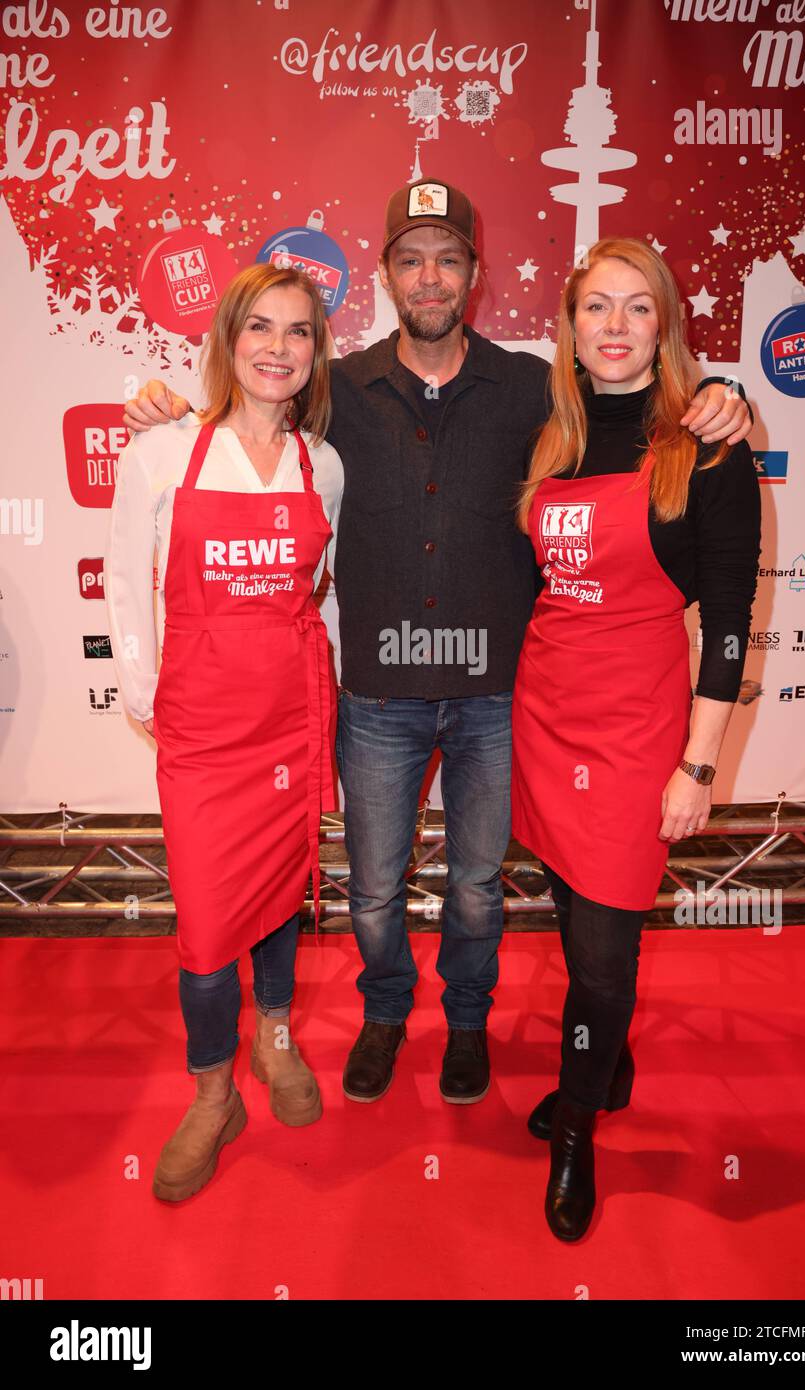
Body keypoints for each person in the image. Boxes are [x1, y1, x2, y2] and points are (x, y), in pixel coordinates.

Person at [121, 179, 752, 1110]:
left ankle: (466, 1022)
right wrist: (164, 409)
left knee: (475, 885)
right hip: (378, 697)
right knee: (374, 888)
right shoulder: (336, 393)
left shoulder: (540, 391)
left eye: (448, 259)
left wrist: (720, 394)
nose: (429, 276)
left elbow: (633, 407)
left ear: (475, 275)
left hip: (498, 696)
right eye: (411, 259)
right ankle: (386, 1014)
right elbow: (247, 428)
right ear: (384, 274)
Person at [510, 237, 761, 1241]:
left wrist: (695, 765)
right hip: (545, 712)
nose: (613, 328)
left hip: (638, 731)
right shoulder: (550, 440)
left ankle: (575, 1129)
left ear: (664, 328)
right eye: (594, 308)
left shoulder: (705, 448)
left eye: (636, 308)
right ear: (569, 329)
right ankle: (604, 1065)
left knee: (602, 959)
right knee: (572, 918)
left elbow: (732, 622)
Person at [106, 264, 343, 1201]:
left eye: (298, 332)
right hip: (203, 726)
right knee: (206, 924)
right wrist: (144, 697)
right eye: (260, 329)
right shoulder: (164, 451)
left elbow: (324, 598)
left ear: (316, 352)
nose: (278, 348)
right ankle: (212, 1094)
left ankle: (276, 1040)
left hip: (290, 716)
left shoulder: (322, 464)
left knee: (281, 895)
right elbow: (128, 580)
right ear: (227, 342)